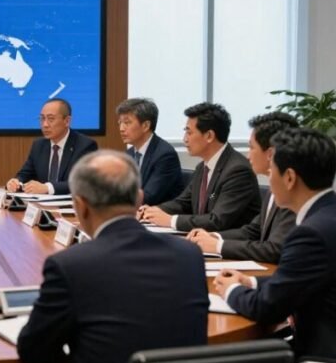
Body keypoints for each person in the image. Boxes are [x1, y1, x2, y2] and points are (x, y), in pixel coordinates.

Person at [17, 150, 208, 363]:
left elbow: (33, 351)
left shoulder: (71, 266)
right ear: (139, 199)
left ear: (80, 206)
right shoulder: (189, 255)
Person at [214, 128, 336, 363]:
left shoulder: (310, 234)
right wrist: (253, 283)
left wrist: (231, 290)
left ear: (289, 177)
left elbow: (267, 308)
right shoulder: (328, 217)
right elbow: (304, 280)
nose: (268, 181)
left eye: (271, 172)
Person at [187, 112, 298, 262]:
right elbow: (253, 230)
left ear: (270, 154)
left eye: (251, 147)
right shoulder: (275, 184)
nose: (248, 156)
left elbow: (275, 249)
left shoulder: (293, 191)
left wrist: (219, 246)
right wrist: (214, 237)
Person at [140, 102, 260, 232]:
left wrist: (170, 220)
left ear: (209, 136)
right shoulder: (202, 167)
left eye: (189, 133)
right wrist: (153, 211)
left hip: (227, 245)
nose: (185, 139)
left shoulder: (238, 171)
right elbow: (183, 203)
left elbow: (217, 220)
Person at [7, 98, 98, 195]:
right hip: (41, 206)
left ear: (67, 121)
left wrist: (47, 188)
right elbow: (25, 174)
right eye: (42, 119)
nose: (45, 125)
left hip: (70, 207)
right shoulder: (39, 145)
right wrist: (16, 182)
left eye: (51, 119)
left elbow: (82, 183)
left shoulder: (85, 145)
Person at [116, 98, 183, 205]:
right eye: (120, 123)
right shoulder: (128, 154)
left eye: (127, 123)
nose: (121, 128)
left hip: (157, 217)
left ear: (146, 126)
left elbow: (148, 197)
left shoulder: (165, 155)